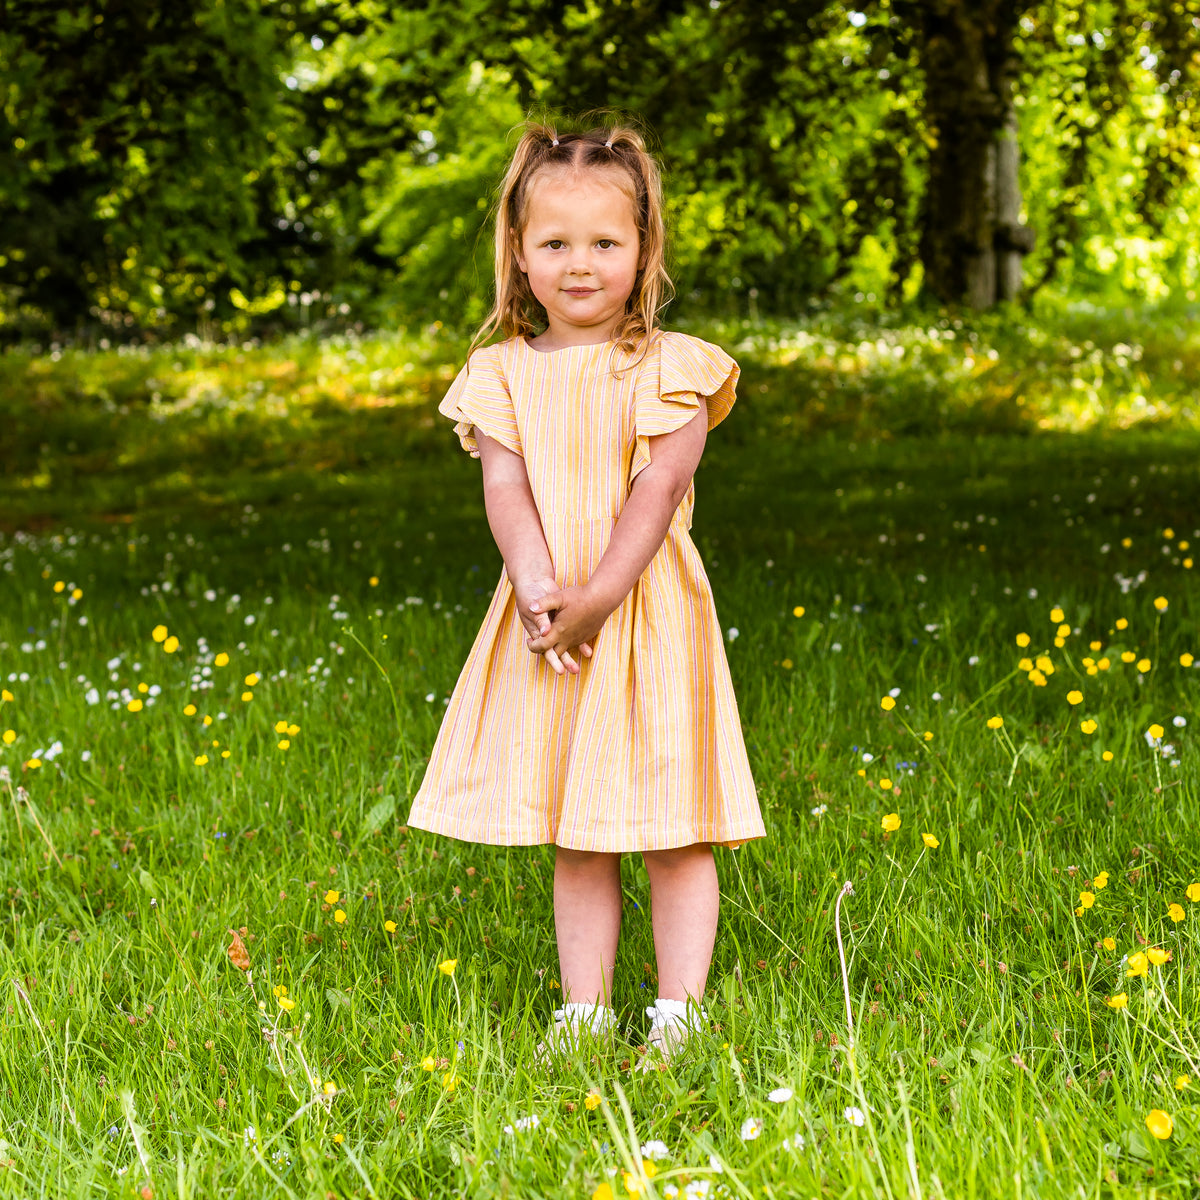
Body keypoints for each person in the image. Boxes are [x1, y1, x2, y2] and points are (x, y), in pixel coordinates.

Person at [406, 116, 765, 1063]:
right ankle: (584, 1008)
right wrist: (536, 586)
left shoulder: (671, 364)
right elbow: (505, 487)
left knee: (673, 824)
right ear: (519, 254)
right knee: (580, 826)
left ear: (643, 249)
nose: (579, 264)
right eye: (555, 243)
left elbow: (658, 493)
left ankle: (679, 1011)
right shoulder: (501, 375)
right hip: (552, 618)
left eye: (605, 242)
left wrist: (599, 594)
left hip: (644, 614)